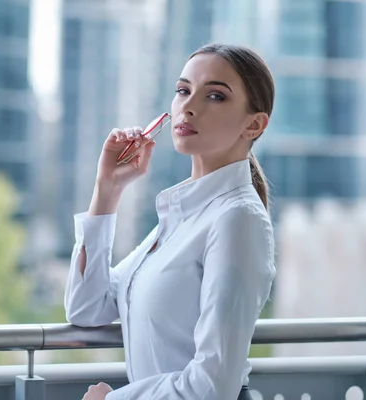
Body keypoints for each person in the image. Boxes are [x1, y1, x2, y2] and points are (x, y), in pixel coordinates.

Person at [64, 43, 276, 400]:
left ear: (254, 124)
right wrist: (107, 189)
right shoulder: (182, 215)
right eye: (183, 91)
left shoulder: (237, 220)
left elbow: (213, 386)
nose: (188, 107)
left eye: (215, 96)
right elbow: (88, 307)